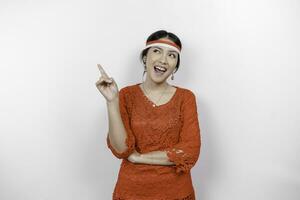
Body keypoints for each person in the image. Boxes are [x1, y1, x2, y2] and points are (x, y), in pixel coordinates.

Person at [95, 30, 201, 200]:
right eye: (157, 51)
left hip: (177, 193)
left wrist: (138, 158)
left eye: (172, 55)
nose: (163, 60)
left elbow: (189, 152)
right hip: (132, 192)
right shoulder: (126, 95)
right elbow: (121, 149)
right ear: (145, 58)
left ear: (176, 66)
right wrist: (112, 101)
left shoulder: (186, 98)